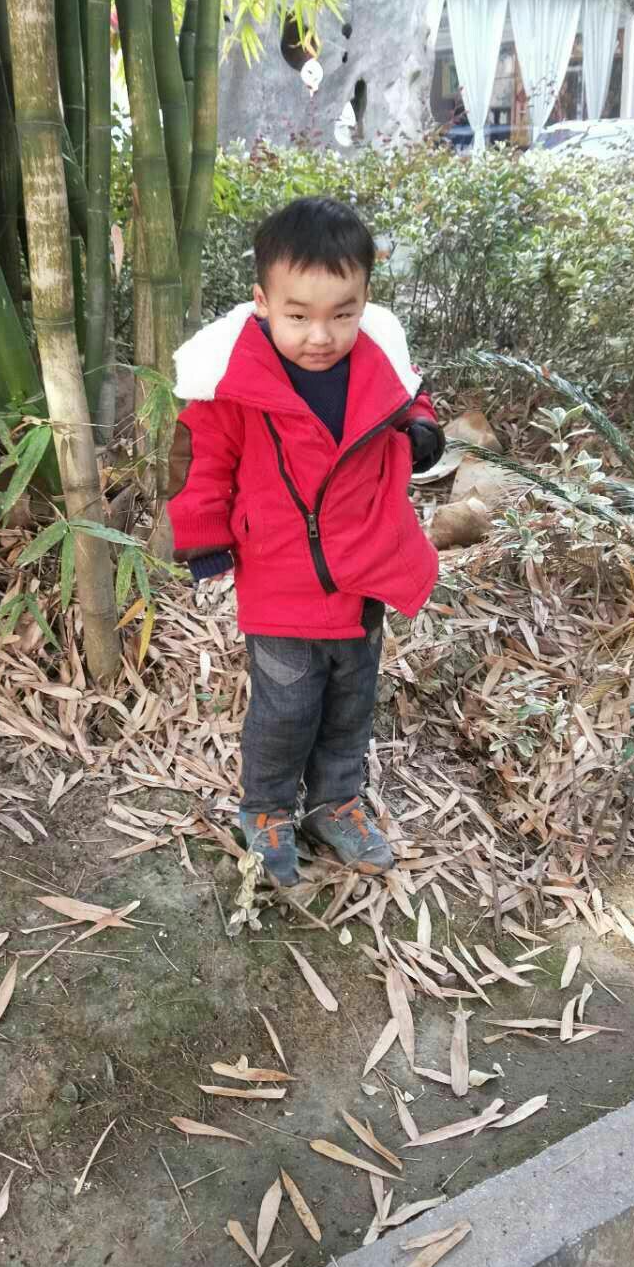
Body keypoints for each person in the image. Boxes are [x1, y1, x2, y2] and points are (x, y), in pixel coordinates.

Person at [167, 197, 444, 887]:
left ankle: (334, 804)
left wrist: (422, 430)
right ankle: (265, 809)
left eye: (342, 315)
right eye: (298, 316)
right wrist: (204, 541)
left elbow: (410, 398)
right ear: (263, 302)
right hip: (280, 579)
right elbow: (204, 465)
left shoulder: (378, 359)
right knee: (286, 708)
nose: (321, 335)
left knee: (351, 703)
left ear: (364, 301)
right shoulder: (233, 384)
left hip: (366, 573)